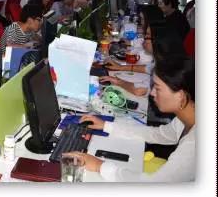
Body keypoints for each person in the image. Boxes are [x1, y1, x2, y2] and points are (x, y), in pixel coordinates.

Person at [65, 55, 195, 182]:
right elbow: (158, 134)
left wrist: (100, 166)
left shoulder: (193, 144)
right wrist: (106, 125)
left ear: (181, 96)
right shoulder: (184, 119)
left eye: (158, 88)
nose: (152, 93)